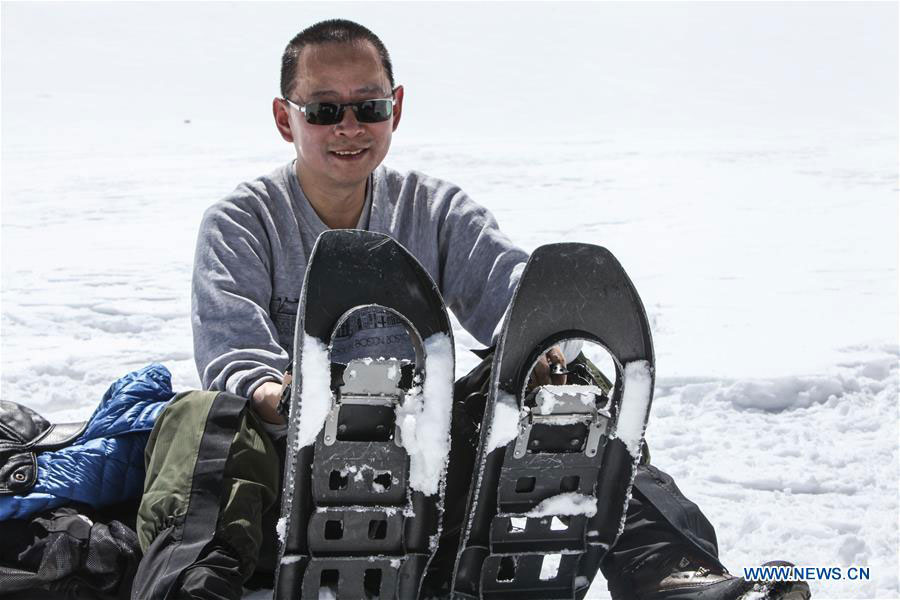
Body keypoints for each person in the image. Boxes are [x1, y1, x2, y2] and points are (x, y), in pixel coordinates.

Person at [132, 19, 810, 600]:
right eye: (324, 110)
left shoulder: (435, 209)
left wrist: (553, 360)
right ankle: (197, 587)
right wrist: (297, 402)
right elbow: (234, 355)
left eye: (368, 107)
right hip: (293, 480)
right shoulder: (242, 222)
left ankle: (671, 573)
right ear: (287, 118)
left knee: (575, 393)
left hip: (424, 473)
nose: (349, 127)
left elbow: (514, 301)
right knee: (202, 416)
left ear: (396, 107)